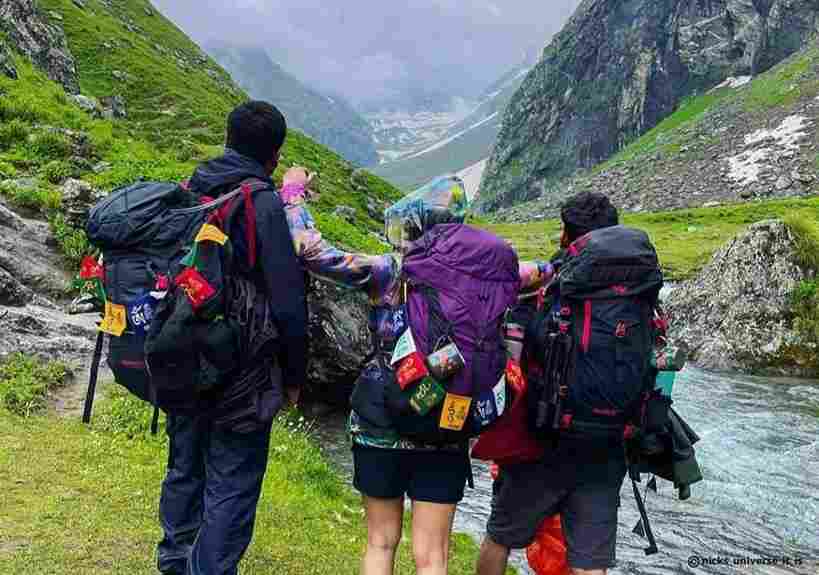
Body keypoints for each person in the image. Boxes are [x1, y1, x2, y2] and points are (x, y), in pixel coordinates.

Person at [274, 171, 552, 575]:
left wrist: (293, 195)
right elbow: (544, 272)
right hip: (448, 422)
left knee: (381, 542)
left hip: (380, 418)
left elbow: (315, 254)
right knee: (433, 557)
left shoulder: (392, 271)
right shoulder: (500, 276)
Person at [157, 101, 309, 575]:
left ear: (227, 138)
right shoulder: (261, 203)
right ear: (274, 156)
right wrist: (294, 376)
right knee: (233, 481)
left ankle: (175, 564)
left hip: (182, 352)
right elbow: (288, 303)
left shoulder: (191, 190)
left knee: (185, 465)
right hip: (244, 369)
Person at [476, 192, 623, 575]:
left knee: (500, 537)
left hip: (543, 439)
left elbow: (512, 354)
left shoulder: (548, 282)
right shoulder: (638, 291)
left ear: (565, 235)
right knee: (591, 562)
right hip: (608, 445)